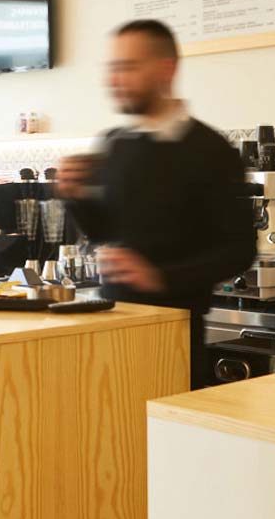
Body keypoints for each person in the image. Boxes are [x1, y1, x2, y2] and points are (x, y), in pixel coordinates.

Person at [58, 19, 254, 388]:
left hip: (175, 332)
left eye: (127, 68)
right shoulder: (115, 142)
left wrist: (159, 276)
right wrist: (76, 195)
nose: (113, 80)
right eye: (111, 69)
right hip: (114, 320)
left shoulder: (210, 150)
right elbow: (106, 233)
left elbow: (239, 251)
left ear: (167, 69)